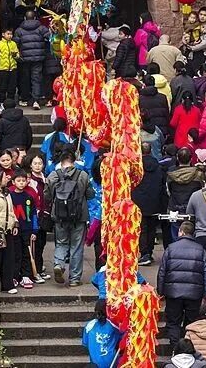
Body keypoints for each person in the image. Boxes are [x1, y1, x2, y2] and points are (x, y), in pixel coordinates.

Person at [157, 220, 206, 345]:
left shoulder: (170, 248)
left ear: (180, 232)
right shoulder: (200, 250)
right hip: (194, 293)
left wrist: (161, 291)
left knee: (173, 322)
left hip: (173, 292)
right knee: (192, 322)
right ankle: (188, 346)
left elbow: (162, 271)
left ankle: (175, 347)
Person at [45, 150, 95, 286]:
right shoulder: (83, 175)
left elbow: (47, 196)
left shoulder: (53, 175)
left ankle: (59, 264)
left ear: (60, 161)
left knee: (61, 243)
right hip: (79, 217)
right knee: (77, 247)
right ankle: (74, 278)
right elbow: (90, 195)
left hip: (59, 216)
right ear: (74, 160)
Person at [133, 149, 167, 266]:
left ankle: (144, 253)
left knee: (142, 228)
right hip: (154, 201)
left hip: (139, 201)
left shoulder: (136, 167)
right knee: (152, 229)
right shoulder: (158, 167)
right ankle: (149, 251)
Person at [14, 10, 51, 109]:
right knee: (36, 79)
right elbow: (49, 38)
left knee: (25, 78)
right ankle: (36, 100)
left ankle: (25, 98)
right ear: (35, 18)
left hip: (24, 58)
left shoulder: (19, 30)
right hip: (38, 57)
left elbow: (15, 44)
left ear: (25, 18)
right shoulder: (41, 28)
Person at [82, 298, 123, 368]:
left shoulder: (89, 325)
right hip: (110, 363)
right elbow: (122, 341)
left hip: (95, 364)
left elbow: (85, 344)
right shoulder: (114, 326)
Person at [184, 7, 206, 75]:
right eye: (201, 14)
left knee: (198, 74)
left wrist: (192, 48)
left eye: (205, 15)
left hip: (201, 53)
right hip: (190, 53)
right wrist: (186, 42)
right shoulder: (193, 24)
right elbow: (185, 34)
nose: (202, 17)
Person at [0, 27, 20, 103]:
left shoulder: (13, 44)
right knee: (2, 87)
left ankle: (11, 102)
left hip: (13, 68)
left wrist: (15, 55)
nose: (10, 36)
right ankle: (2, 102)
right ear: (3, 34)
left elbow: (18, 55)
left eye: (11, 34)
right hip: (3, 69)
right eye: (8, 34)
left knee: (12, 87)